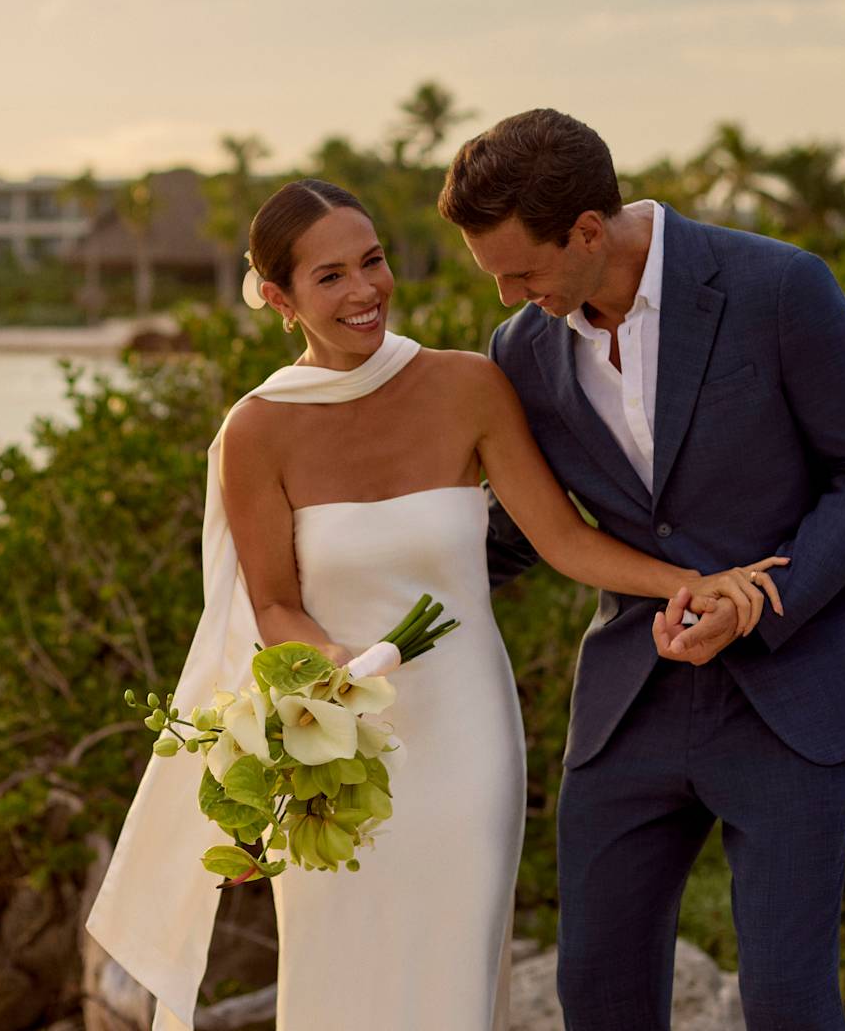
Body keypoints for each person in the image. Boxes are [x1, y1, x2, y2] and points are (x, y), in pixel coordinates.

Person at [86, 178, 786, 1030]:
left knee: (453, 982)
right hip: (334, 755)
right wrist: (324, 668)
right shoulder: (256, 430)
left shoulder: (468, 386)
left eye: (373, 262)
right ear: (279, 297)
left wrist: (689, 583)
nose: (365, 291)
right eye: (330, 277)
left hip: (465, 739)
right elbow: (272, 604)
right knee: (338, 980)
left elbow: (564, 540)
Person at [439, 109, 845, 1029]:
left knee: (787, 1003)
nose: (507, 296)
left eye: (521, 271)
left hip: (790, 702)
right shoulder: (524, 352)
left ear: (588, 231)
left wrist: (760, 601)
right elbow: (519, 533)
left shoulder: (779, 286)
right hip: (630, 708)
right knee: (600, 999)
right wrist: (373, 616)